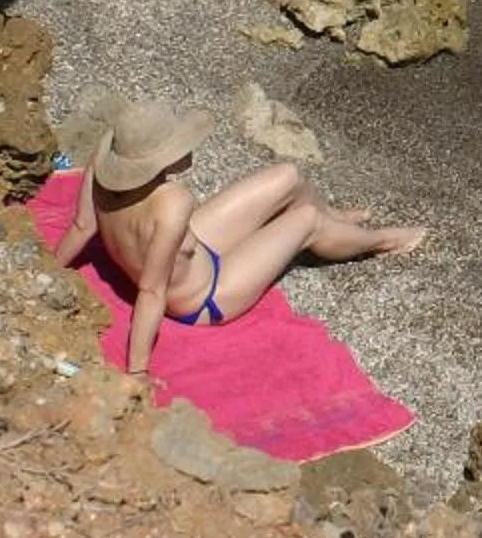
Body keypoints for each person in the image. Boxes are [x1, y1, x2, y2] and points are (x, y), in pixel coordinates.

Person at [61, 100, 426, 381]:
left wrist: (46, 265)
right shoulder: (172, 204)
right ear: (159, 160)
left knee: (288, 176)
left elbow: (81, 226)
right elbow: (153, 292)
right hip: (202, 299)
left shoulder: (104, 165)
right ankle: (379, 241)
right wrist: (137, 371)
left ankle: (336, 222)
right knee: (306, 220)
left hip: (190, 252)